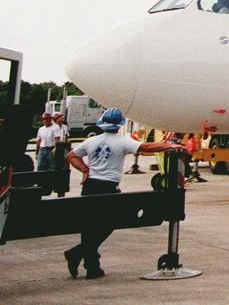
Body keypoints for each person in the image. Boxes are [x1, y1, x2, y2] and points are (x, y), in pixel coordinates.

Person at [64, 108, 177, 280]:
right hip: (108, 187)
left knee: (89, 226)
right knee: (110, 222)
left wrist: (85, 170)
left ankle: (92, 267)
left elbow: (72, 155)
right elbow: (146, 146)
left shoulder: (91, 141)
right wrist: (168, 146)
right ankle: (77, 253)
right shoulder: (123, 141)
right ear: (119, 126)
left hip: (90, 186)